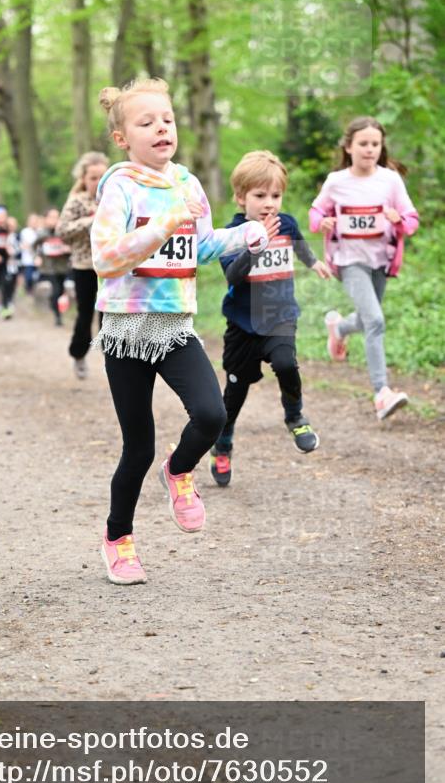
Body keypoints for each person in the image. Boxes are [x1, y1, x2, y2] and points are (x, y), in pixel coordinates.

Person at [91, 78, 268, 585]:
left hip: (173, 325)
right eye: (146, 123)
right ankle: (119, 540)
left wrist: (243, 235)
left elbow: (202, 245)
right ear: (123, 138)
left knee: (211, 414)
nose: (161, 128)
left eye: (166, 120)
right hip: (127, 328)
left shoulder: (188, 185)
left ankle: (179, 469)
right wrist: (162, 224)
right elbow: (106, 258)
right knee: (137, 448)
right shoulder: (120, 186)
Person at [210, 151, 331, 488]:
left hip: (280, 316)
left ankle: (295, 417)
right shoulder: (231, 234)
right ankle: (223, 443)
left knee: (286, 364)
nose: (269, 204)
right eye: (260, 195)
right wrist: (255, 246)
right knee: (235, 392)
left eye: (275, 196)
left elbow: (299, 245)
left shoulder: (286, 223)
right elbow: (233, 277)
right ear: (241, 198)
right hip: (243, 324)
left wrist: (314, 263)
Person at [309, 116, 419, 421]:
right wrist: (323, 222)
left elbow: (412, 220)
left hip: (381, 260)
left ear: (381, 147)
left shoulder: (390, 180)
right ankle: (382, 393)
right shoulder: (336, 181)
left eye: (375, 144)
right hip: (349, 260)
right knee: (376, 321)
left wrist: (399, 219)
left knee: (369, 318)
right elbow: (315, 213)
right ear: (349, 147)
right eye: (363, 143)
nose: (370, 149)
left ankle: (339, 328)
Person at [57, 151, 109, 378]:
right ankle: (78, 355)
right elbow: (62, 230)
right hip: (84, 266)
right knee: (85, 314)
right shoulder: (77, 201)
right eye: (93, 178)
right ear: (84, 179)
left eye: (101, 177)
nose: (97, 182)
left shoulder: (115, 198)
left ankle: (114, 362)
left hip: (111, 267)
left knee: (110, 314)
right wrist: (90, 220)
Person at [35, 208, 72, 326]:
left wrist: (68, 250)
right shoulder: (42, 234)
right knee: (56, 290)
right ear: (45, 219)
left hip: (62, 267)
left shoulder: (63, 233)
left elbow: (71, 246)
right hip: (48, 267)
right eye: (51, 217)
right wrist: (37, 257)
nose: (54, 220)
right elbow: (35, 247)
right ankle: (58, 316)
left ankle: (54, 304)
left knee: (60, 290)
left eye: (57, 217)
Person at [19, 213, 41, 293]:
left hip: (39, 259)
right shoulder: (25, 232)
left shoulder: (40, 231)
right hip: (28, 260)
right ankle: (28, 291)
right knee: (29, 278)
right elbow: (25, 245)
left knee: (38, 278)